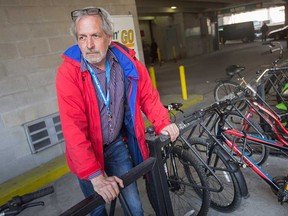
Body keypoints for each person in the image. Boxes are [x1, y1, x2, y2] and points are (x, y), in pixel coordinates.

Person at [56, 6, 179, 216]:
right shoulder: (68, 73)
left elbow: (147, 95)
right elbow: (73, 128)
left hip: (114, 146)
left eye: (95, 35)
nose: (89, 45)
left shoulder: (126, 62)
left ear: (109, 37)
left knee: (134, 206)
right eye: (82, 37)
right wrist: (95, 176)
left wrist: (163, 122)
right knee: (96, 210)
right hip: (86, 153)